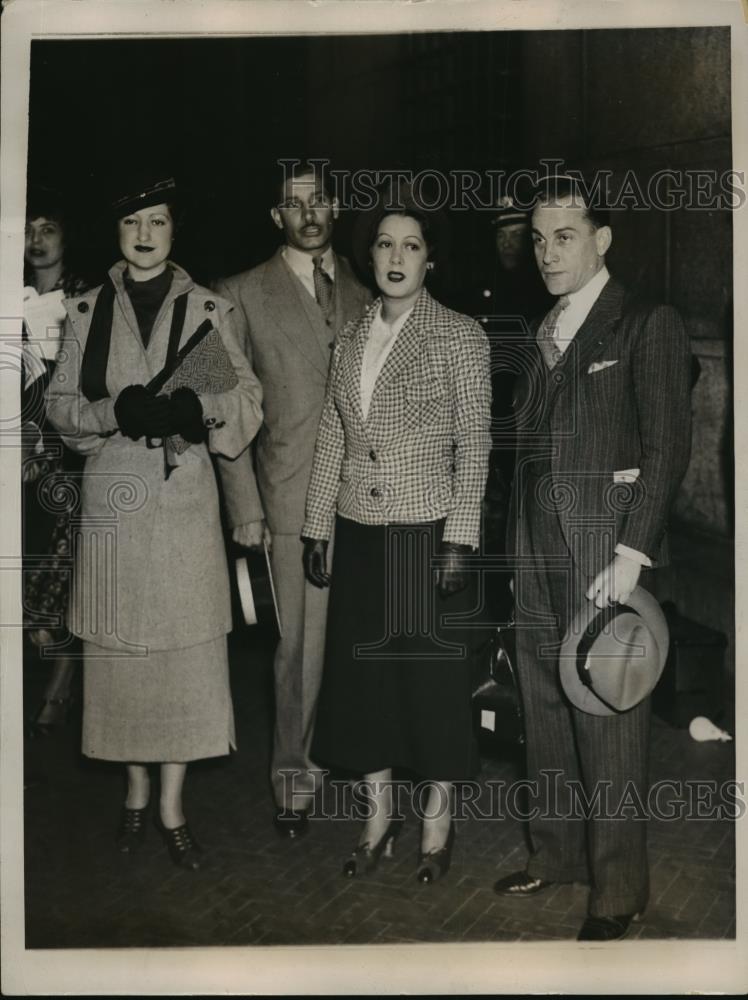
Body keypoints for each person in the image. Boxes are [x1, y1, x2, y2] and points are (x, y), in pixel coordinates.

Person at [494, 172, 692, 939]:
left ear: (602, 240)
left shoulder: (647, 321)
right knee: (542, 707)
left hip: (603, 551)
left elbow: (668, 446)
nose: (547, 252)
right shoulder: (540, 327)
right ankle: (560, 853)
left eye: (565, 236)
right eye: (539, 239)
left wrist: (634, 551)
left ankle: (618, 891)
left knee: (606, 713)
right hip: (535, 550)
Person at [46, 176, 263, 869]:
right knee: (120, 662)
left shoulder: (206, 309)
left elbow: (248, 404)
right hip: (114, 505)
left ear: (175, 231)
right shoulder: (87, 311)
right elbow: (58, 409)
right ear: (116, 232)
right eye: (134, 221)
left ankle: (172, 806)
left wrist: (200, 411)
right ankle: (133, 791)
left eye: (159, 222)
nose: (145, 234)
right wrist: (114, 411)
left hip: (181, 509)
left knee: (185, 661)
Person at [302, 188, 491, 882]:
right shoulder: (349, 336)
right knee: (366, 681)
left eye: (412, 244)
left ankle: (438, 823)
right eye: (384, 243)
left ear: (430, 259)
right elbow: (331, 433)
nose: (396, 256)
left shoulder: (459, 334)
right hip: (358, 527)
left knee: (432, 682)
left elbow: (476, 443)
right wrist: (317, 523)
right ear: (368, 253)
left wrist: (459, 538)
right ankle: (379, 814)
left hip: (424, 528)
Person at [215, 161, 371, 839]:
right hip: (287, 502)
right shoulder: (236, 294)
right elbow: (220, 409)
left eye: (321, 201)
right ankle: (294, 779)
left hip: (368, 503)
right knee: (299, 651)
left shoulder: (371, 292)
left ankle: (365, 767)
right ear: (277, 217)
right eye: (294, 204)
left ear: (336, 210)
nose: (310, 213)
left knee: (361, 646)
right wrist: (243, 504)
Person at [22, 185, 89, 734]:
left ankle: (61, 682)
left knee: (64, 566)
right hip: (18, 446)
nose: (37, 240)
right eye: (28, 229)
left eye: (47, 228)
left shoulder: (82, 300)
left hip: (69, 451)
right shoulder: (9, 298)